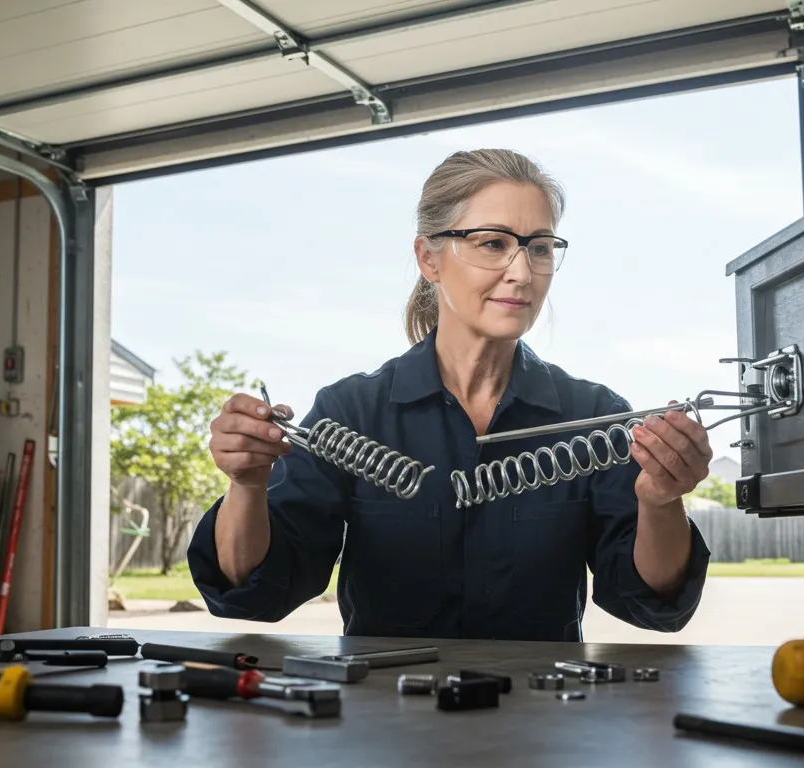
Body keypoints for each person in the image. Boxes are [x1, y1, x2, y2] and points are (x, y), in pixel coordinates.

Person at [187, 148, 713, 642]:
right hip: (387, 722)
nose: (523, 272)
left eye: (540, 247)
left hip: (543, 725)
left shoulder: (596, 419)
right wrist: (248, 486)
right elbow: (254, 594)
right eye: (493, 243)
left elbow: (652, 603)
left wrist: (662, 503)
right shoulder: (350, 413)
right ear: (429, 259)